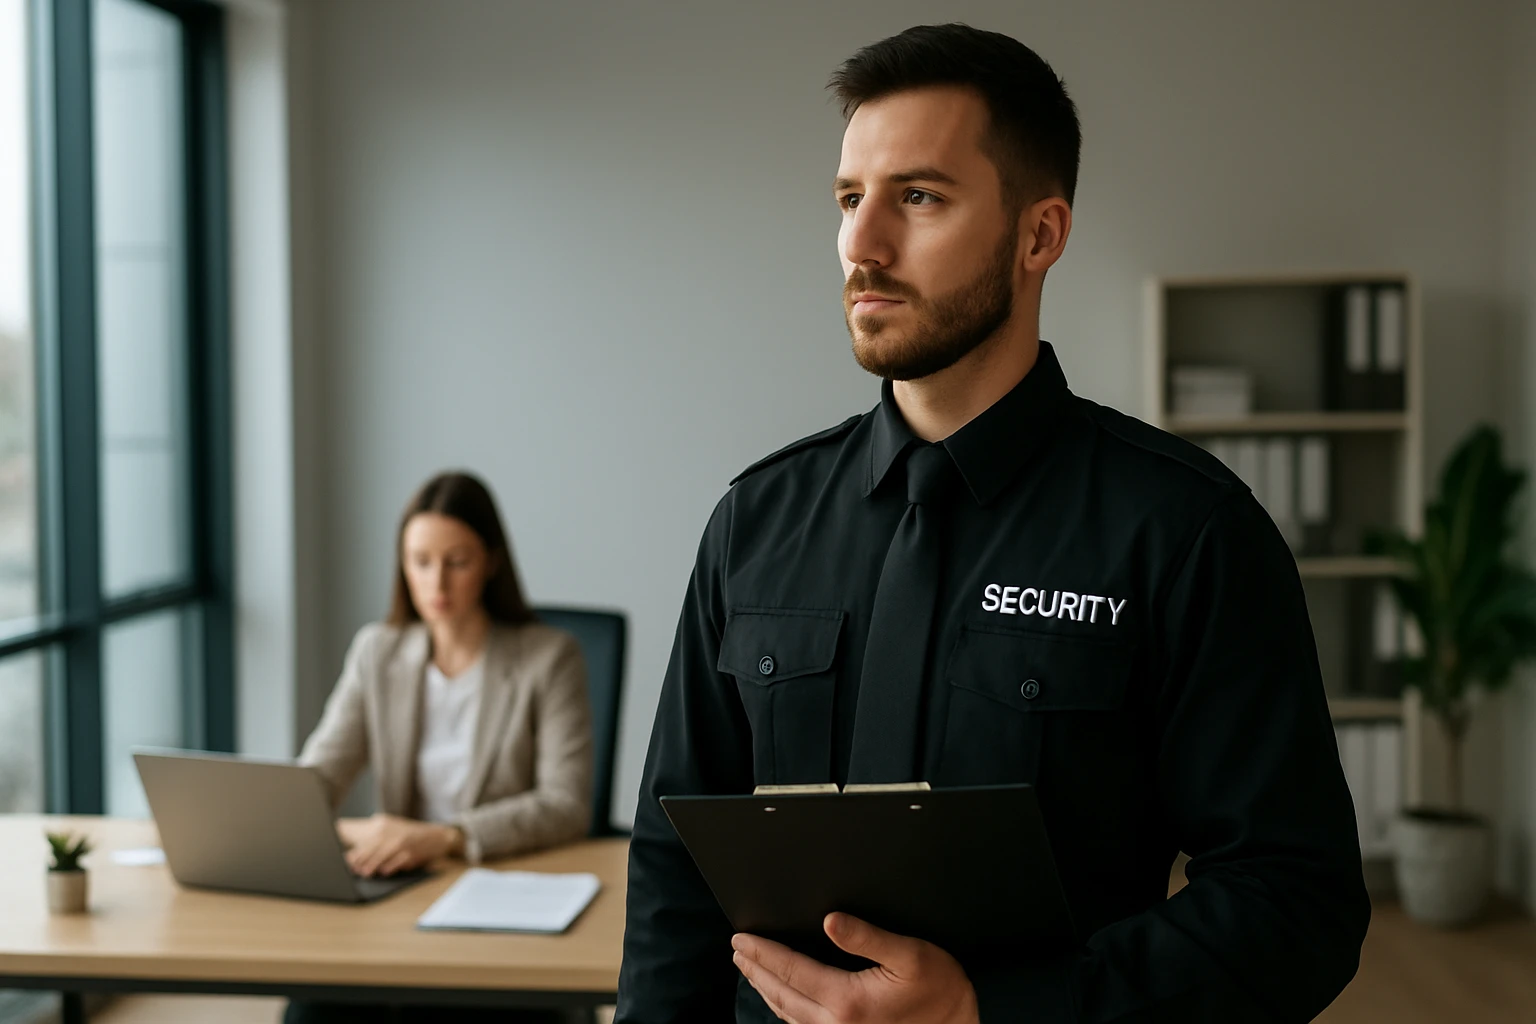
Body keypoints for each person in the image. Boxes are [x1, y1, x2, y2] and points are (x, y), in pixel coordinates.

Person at [616, 23, 1369, 1024]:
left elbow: (1296, 901)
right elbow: (674, 864)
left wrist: (996, 1011)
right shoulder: (755, 521)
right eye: (850, 199)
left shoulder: (1187, 531)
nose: (862, 244)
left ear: (1039, 234)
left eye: (917, 197)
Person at [287, 470, 593, 1024]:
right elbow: (313, 783)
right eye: (420, 561)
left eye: (457, 561)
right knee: (311, 1008)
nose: (437, 583)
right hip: (399, 896)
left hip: (501, 898)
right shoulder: (377, 652)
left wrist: (447, 837)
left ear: (492, 562)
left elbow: (566, 804)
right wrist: (370, 832)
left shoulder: (549, 657)